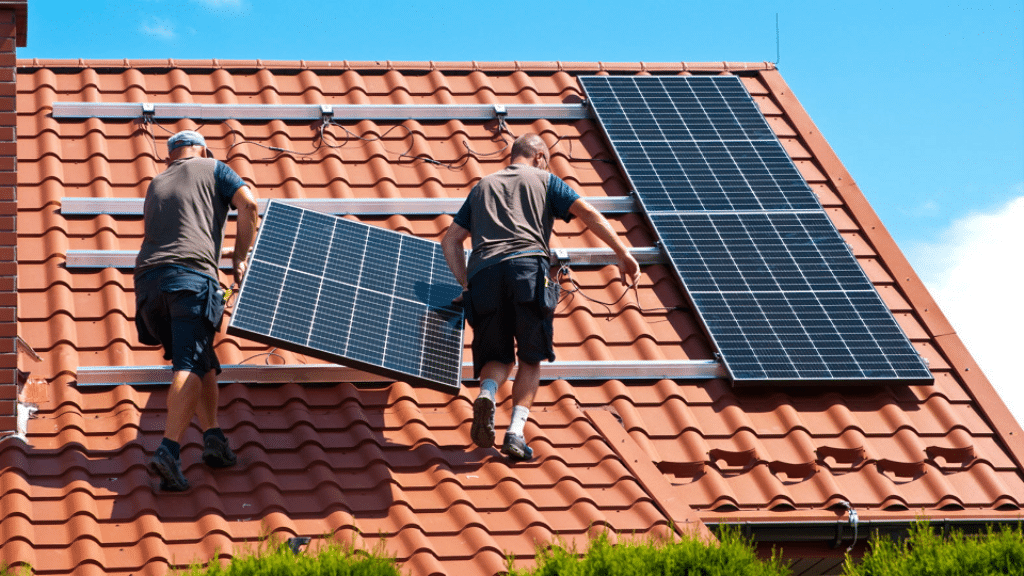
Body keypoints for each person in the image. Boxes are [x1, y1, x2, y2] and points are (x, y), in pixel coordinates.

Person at [442, 133, 640, 461]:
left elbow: (450, 241)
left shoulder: (481, 187)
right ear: (538, 156)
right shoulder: (546, 180)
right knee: (530, 358)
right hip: (526, 270)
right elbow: (588, 213)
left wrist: (467, 285)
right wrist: (622, 252)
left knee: (498, 357)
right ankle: (515, 434)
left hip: (484, 276)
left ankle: (488, 395)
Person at [134, 130, 259, 491]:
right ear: (202, 150)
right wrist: (238, 258)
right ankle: (169, 451)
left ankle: (214, 438)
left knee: (201, 356)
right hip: (190, 280)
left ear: (170, 157)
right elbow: (249, 205)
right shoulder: (215, 168)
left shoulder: (157, 181)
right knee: (188, 364)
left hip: (148, 287)